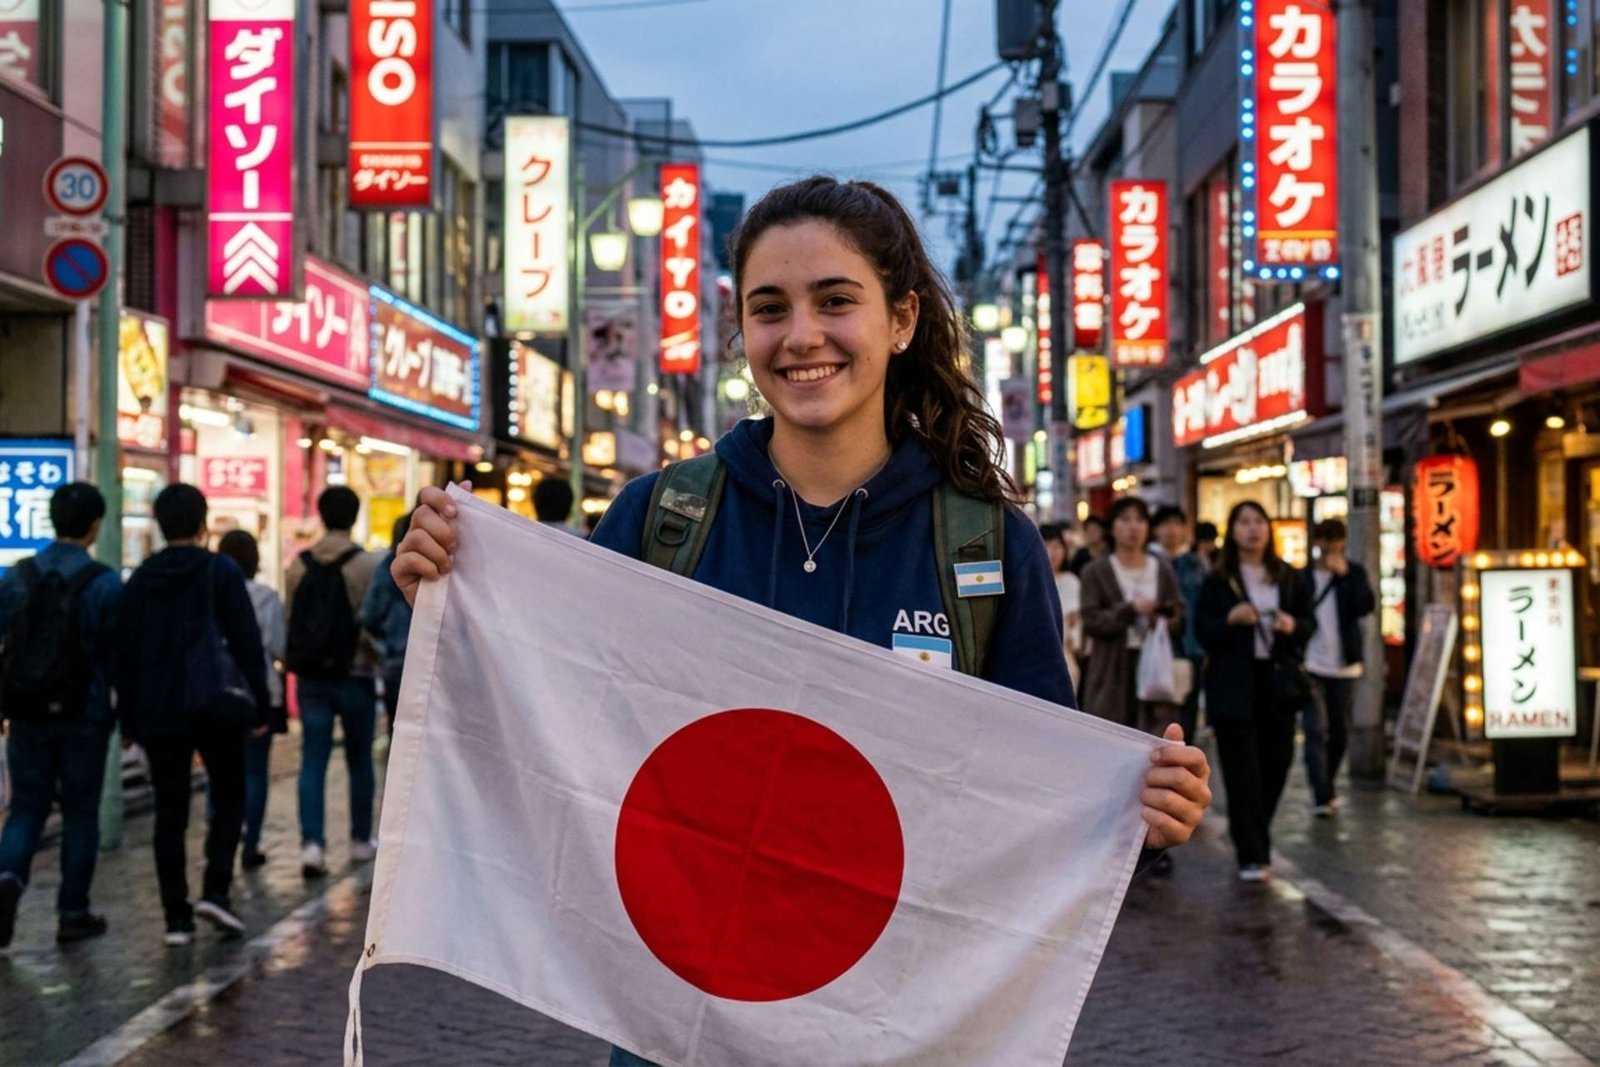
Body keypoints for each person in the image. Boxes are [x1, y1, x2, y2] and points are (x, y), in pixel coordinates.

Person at [390, 176, 1213, 1067]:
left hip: (897, 1028)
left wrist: (1136, 806)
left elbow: (1041, 783)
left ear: (900, 320)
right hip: (678, 1026)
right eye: (769, 308)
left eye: (836, 301)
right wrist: (453, 602)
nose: (802, 336)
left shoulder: (981, 542)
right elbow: (551, 730)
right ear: (740, 332)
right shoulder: (661, 517)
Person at [119, 484, 269, 943]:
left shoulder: (142, 578)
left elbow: (126, 654)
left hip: (159, 710)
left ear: (160, 524)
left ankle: (176, 918)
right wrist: (262, 702)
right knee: (228, 794)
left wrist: (128, 720)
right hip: (217, 705)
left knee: (170, 809)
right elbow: (246, 641)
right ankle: (216, 890)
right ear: (203, 522)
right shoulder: (220, 571)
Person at [0, 483, 122, 948]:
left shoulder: (18, 576)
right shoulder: (105, 583)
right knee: (79, 812)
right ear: (95, 526)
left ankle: (8, 876)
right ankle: (73, 911)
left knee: (26, 807)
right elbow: (118, 660)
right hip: (84, 716)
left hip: (27, 712)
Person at [1195, 501, 1314, 882]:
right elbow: (1202, 630)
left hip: (1278, 682)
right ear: (1232, 531)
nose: (1253, 529)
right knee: (1241, 769)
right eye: (1244, 522)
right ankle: (1253, 853)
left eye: (1259, 521)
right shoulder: (1218, 579)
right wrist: (1230, 619)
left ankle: (1250, 832)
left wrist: (1291, 624)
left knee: (1277, 763)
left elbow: (1309, 624)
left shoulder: (1288, 577)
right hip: (1234, 684)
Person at [285, 486, 381, 879]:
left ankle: (312, 845)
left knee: (313, 759)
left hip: (311, 678)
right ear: (355, 516)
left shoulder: (298, 565)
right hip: (355, 675)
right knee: (360, 759)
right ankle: (360, 840)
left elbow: (291, 619)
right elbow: (373, 622)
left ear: (322, 516)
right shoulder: (367, 566)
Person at [1079, 497, 1186, 735]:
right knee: (1109, 737)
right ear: (1112, 527)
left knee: (1154, 740)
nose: (1133, 526)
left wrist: (1160, 620)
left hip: (1155, 664)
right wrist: (1129, 610)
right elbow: (1092, 620)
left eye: (1140, 519)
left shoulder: (1162, 568)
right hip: (1110, 669)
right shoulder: (1095, 571)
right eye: (1125, 519)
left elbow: (1179, 615)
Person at [1297, 518, 1376, 816]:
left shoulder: (1353, 572)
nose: (1329, 545)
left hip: (1345, 666)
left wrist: (1343, 577)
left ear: (1343, 541)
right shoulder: (1303, 576)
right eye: (1324, 539)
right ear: (1316, 542)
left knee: (1340, 731)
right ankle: (1321, 794)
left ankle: (1327, 784)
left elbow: (1366, 605)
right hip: (1310, 664)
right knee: (1315, 729)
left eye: (1335, 539)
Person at [216, 530, 286, 870]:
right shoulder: (267, 597)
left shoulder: (211, 593)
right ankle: (251, 843)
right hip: (262, 694)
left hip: (219, 694)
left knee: (221, 773)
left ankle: (220, 845)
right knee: (255, 773)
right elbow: (279, 648)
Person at [1154, 506, 1209, 747]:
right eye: (1166, 524)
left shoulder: (1197, 565)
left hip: (1192, 648)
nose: (1172, 530)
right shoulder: (1150, 562)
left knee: (1187, 714)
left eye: (1178, 524)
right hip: (1157, 649)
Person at [361, 511, 415, 737]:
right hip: (440, 667)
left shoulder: (387, 567)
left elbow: (370, 614)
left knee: (400, 737)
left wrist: (385, 642)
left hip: (396, 661)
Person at [1038, 522, 1082, 688]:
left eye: (1057, 546)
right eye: (1046, 546)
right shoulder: (1030, 580)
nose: (1052, 553)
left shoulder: (1071, 581)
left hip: (1062, 652)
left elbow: (1074, 621)